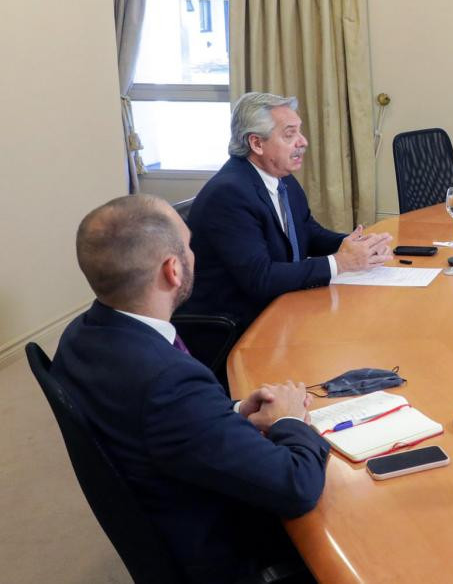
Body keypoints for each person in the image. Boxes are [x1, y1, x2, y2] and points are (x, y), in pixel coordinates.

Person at [52, 195, 331, 583]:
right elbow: (297, 487)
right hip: (225, 552)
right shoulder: (168, 382)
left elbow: (169, 425)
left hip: (172, 494)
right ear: (173, 270)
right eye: (189, 246)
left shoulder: (79, 335)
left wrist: (234, 413)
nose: (195, 255)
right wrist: (290, 419)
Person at [182, 92, 391, 331]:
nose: (303, 142)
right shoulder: (229, 194)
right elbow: (261, 278)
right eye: (290, 134)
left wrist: (358, 245)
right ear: (256, 143)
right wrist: (340, 262)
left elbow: (308, 232)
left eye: (299, 132)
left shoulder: (280, 177)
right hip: (237, 326)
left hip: (279, 307)